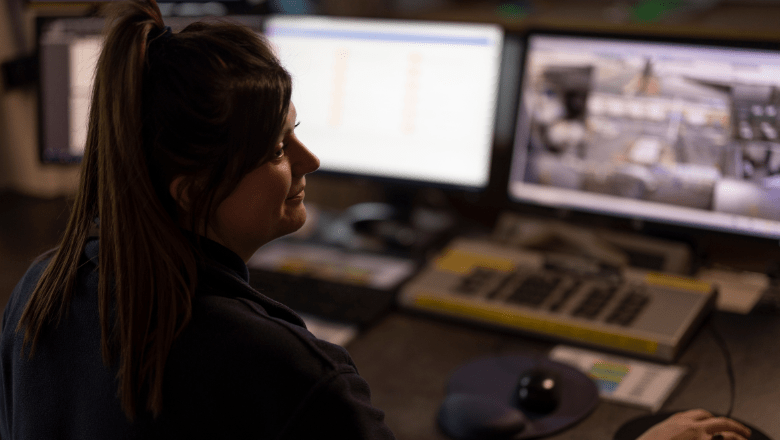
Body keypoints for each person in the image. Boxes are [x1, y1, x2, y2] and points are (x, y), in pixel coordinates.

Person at [0, 0, 755, 439]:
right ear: (191, 189)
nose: (310, 162)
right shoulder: (288, 373)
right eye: (275, 147)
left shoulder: (42, 290)